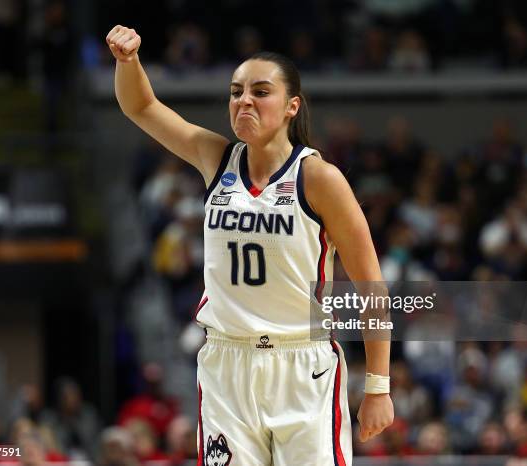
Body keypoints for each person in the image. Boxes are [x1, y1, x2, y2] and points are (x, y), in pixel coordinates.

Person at [106, 24, 394, 465]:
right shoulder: (216, 158)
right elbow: (141, 106)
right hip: (227, 361)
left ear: (291, 106)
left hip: (303, 363)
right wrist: (129, 62)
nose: (244, 101)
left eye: (261, 92)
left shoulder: (319, 178)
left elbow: (371, 284)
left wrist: (378, 386)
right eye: (236, 91)